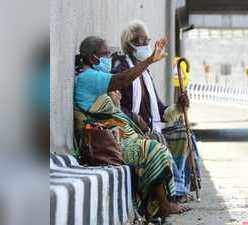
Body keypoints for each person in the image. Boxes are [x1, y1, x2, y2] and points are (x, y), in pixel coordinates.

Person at [73, 36, 190, 219]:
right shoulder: (89, 78)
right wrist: (149, 60)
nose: (109, 58)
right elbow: (122, 80)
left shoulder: (136, 76)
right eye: (105, 54)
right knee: (153, 149)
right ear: (93, 58)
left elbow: (161, 111)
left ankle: (168, 198)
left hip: (125, 135)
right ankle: (163, 205)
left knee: (160, 142)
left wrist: (178, 107)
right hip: (111, 143)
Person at [112, 20, 200, 203]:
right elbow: (115, 105)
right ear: (129, 45)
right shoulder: (122, 67)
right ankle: (174, 192)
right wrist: (135, 118)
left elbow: (161, 111)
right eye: (139, 41)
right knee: (156, 138)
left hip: (150, 130)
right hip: (131, 133)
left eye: (146, 41)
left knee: (184, 134)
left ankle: (181, 186)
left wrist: (178, 107)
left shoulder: (145, 73)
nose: (144, 45)